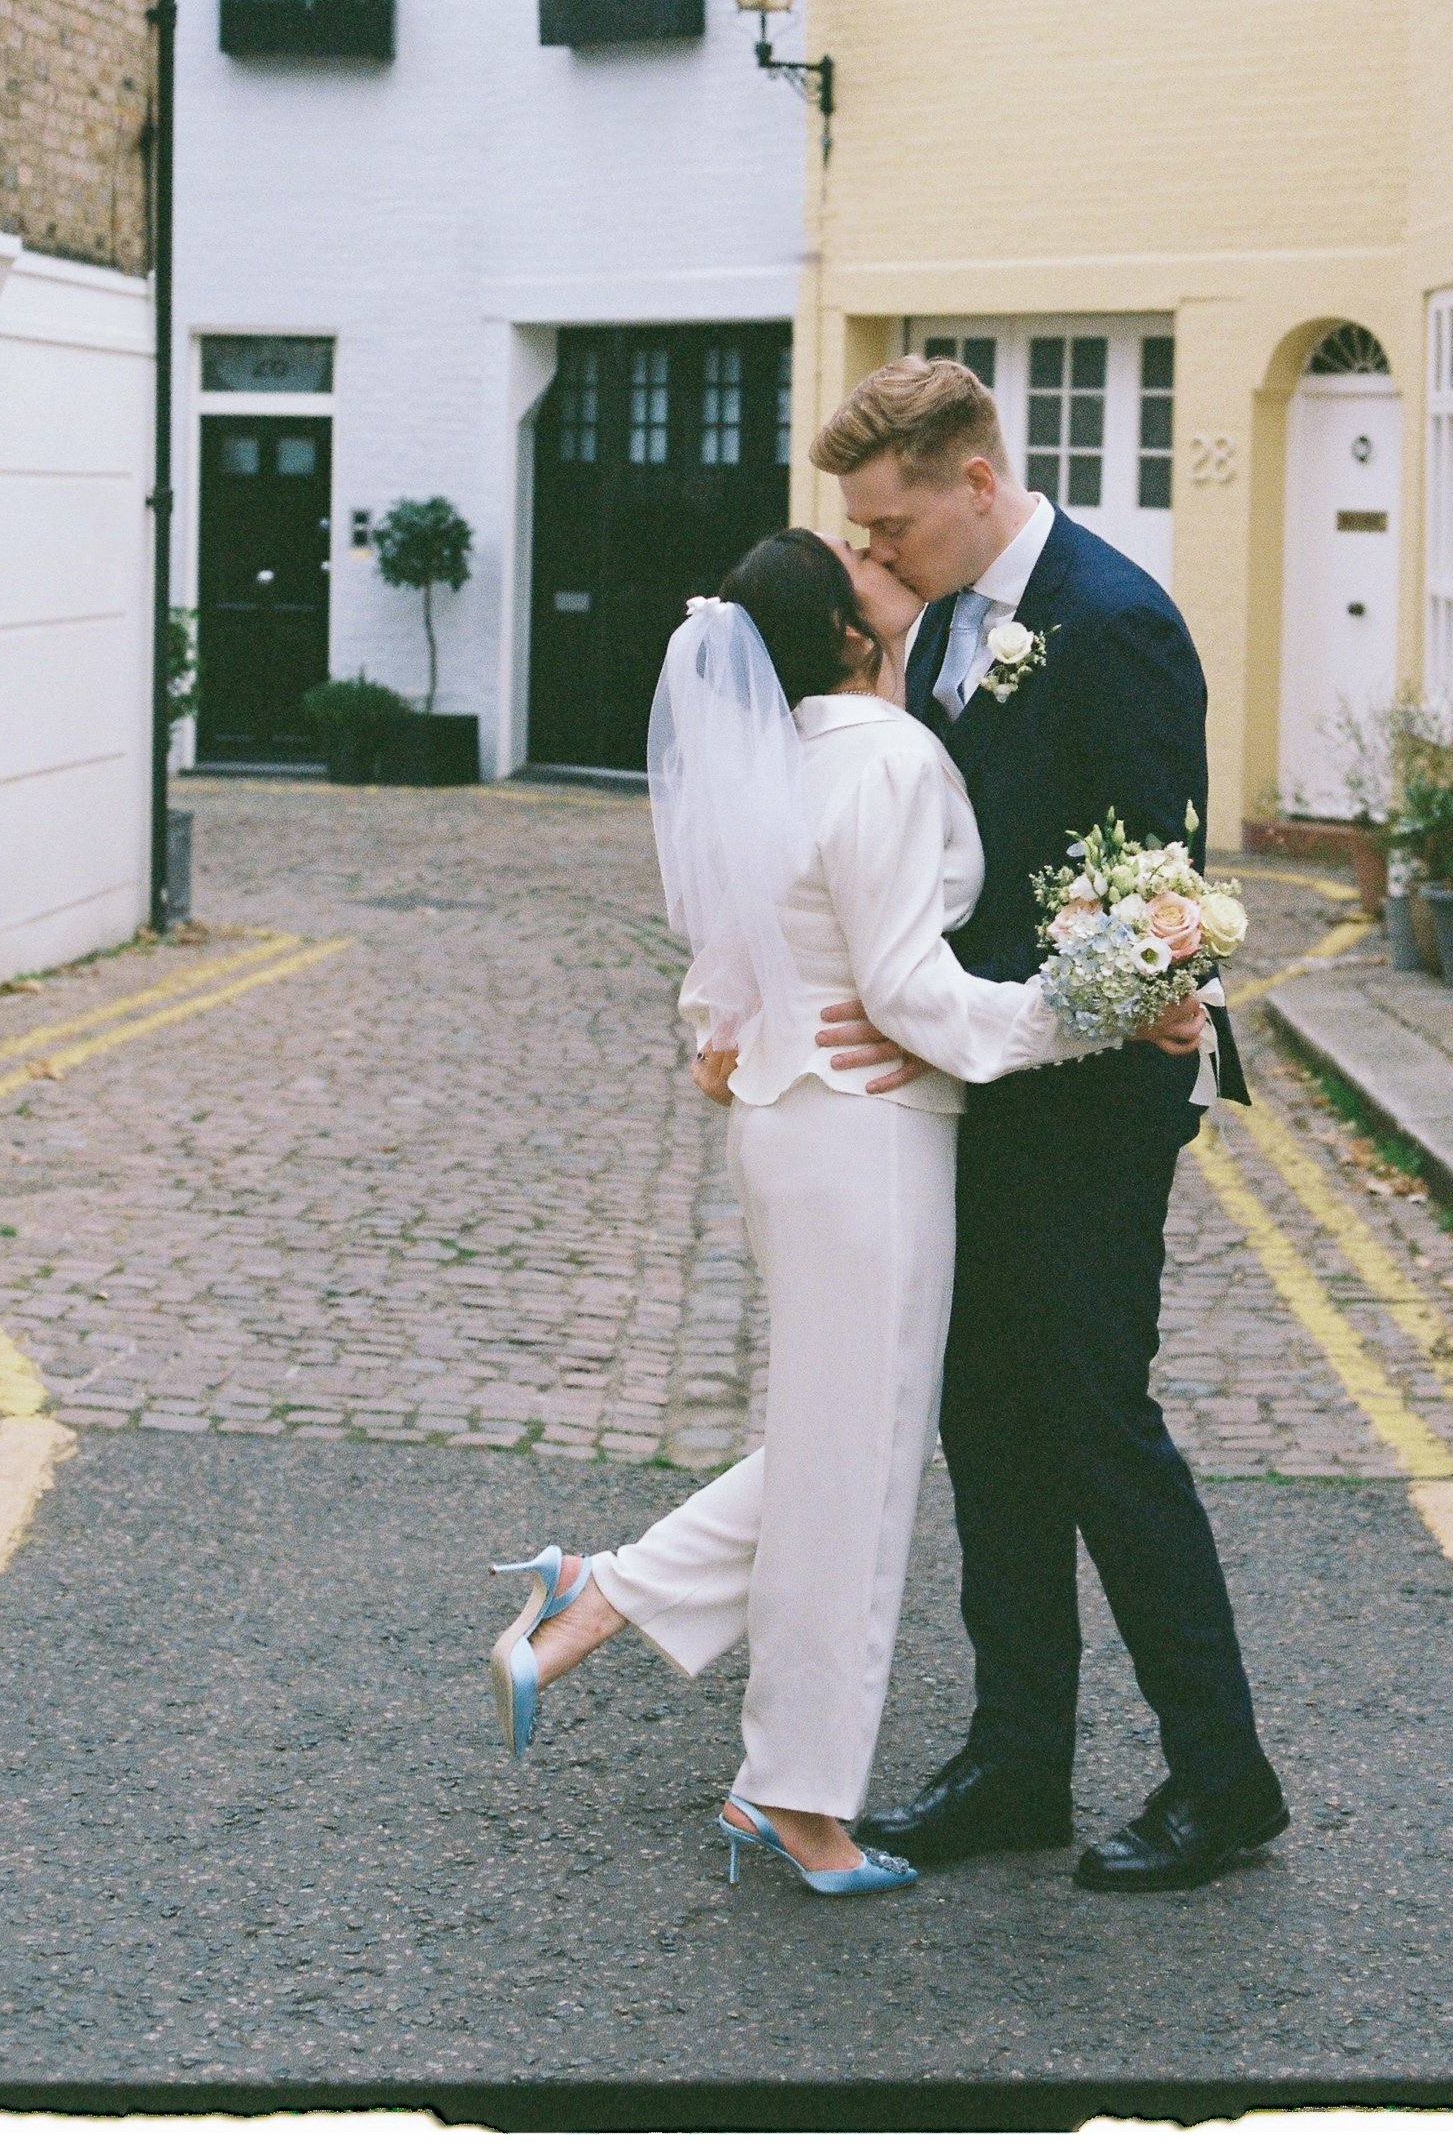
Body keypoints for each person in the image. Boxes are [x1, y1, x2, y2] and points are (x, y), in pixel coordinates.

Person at [487, 524, 1114, 1899]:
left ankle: (596, 1598)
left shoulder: (765, 765)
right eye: (865, 573)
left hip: (786, 1130)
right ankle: (792, 1798)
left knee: (844, 1444)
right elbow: (909, 993)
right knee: (862, 1469)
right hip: (869, 1142)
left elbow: (719, 976)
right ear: (845, 632)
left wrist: (729, 1036)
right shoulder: (884, 757)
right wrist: (1097, 1014)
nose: (889, 573)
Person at [809, 356, 1287, 1895]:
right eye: (861, 537)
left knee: (1093, 1428)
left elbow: (1156, 908)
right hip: (980, 1102)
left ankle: (1223, 1781)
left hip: (1087, 1112)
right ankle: (1018, 1763)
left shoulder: (1117, 618)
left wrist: (1035, 1020)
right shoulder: (945, 615)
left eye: (889, 527)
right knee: (985, 1431)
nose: (872, 558)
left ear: (971, 481)